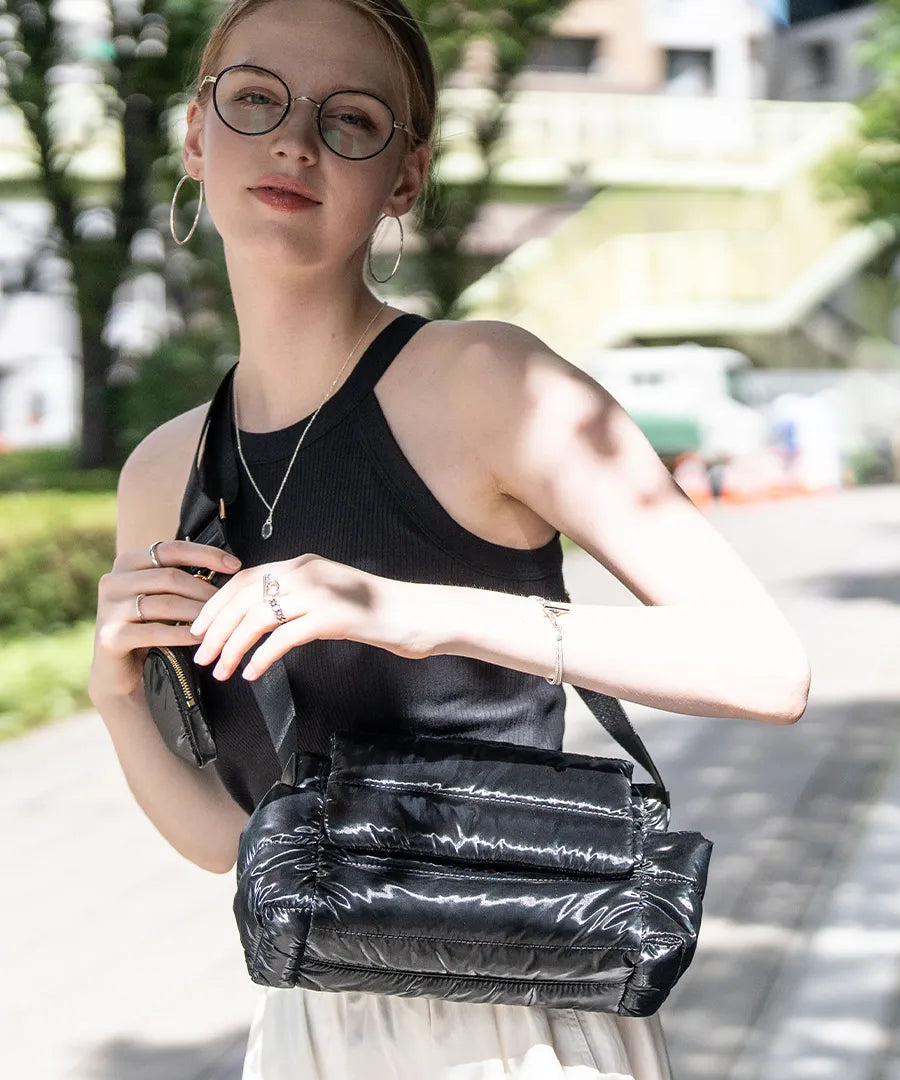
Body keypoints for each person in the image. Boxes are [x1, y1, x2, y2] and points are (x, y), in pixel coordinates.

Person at [88, 1, 811, 1077]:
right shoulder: (165, 475)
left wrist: (411, 613)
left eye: (353, 120)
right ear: (197, 134)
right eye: (254, 101)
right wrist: (110, 694)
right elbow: (233, 843)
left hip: (523, 1019)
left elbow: (768, 669)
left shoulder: (493, 384)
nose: (294, 140)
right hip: (309, 1028)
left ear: (406, 179)